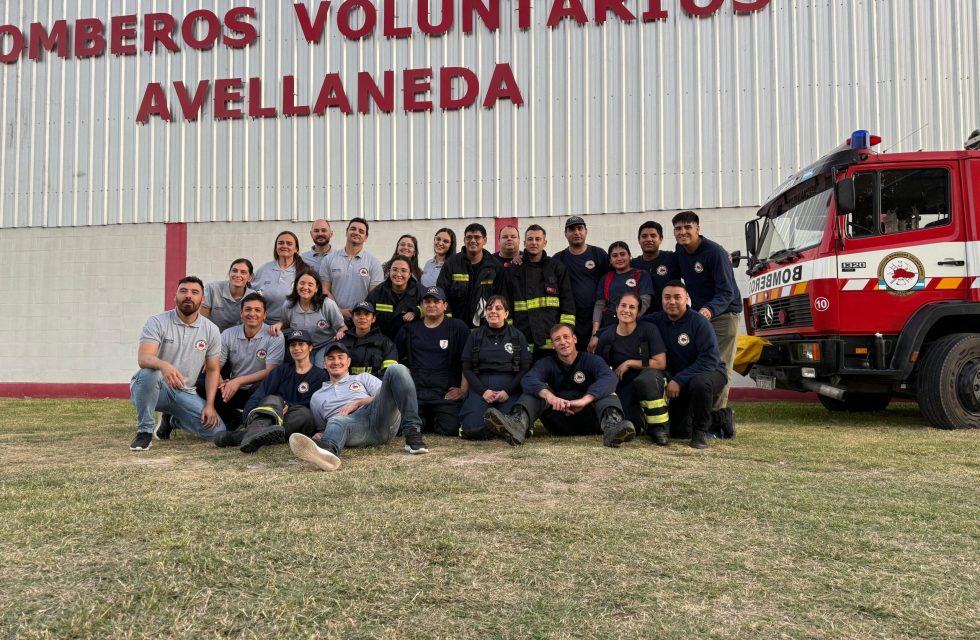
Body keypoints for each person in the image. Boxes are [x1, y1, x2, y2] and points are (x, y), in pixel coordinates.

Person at [484, 324, 635, 448]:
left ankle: (612, 428)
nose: (563, 342)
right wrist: (550, 397)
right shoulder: (546, 363)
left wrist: (585, 400)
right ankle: (517, 426)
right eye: (557, 339)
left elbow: (609, 378)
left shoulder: (592, 360)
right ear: (553, 345)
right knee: (536, 391)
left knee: (606, 391)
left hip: (590, 419)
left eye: (566, 337)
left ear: (574, 339)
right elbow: (528, 379)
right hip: (558, 420)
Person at [288, 343, 429, 472]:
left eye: (340, 357)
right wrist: (322, 433)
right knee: (336, 420)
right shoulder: (317, 397)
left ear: (348, 361)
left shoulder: (363, 378)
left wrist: (358, 402)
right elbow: (322, 426)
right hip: (353, 427)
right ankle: (327, 453)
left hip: (379, 416)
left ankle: (413, 433)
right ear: (324, 363)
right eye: (331, 358)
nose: (336, 362)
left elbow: (389, 393)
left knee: (397, 369)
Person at [129, 276, 224, 451]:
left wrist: (210, 405)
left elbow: (212, 369)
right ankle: (145, 432)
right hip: (156, 389)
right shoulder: (157, 321)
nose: (188, 295)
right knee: (150, 373)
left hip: (185, 392)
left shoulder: (211, 330)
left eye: (194, 292)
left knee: (218, 432)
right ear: (175, 296)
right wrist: (164, 365)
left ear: (202, 300)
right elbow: (144, 359)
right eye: (184, 291)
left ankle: (173, 420)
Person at [643, 281, 734, 449]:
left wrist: (678, 380)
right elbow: (631, 322)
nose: (672, 302)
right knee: (679, 431)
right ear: (661, 300)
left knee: (700, 383)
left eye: (677, 297)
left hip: (711, 372)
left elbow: (709, 359)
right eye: (667, 297)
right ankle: (721, 417)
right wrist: (599, 334)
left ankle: (700, 433)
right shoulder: (656, 320)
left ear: (686, 298)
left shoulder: (699, 322)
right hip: (681, 378)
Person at [215, 329, 329, 453]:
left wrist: (288, 406)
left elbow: (313, 403)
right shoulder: (281, 370)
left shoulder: (320, 375)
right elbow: (261, 392)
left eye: (301, 344)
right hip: (271, 413)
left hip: (295, 416)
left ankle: (241, 436)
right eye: (293, 345)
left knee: (305, 415)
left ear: (310, 347)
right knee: (273, 399)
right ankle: (259, 434)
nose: (297, 348)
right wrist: (247, 415)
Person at [672, 210, 742, 409]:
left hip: (724, 315)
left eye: (688, 227)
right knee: (699, 361)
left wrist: (708, 310)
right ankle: (699, 412)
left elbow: (727, 292)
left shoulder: (715, 253)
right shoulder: (680, 249)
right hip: (701, 316)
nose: (683, 232)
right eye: (678, 228)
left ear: (698, 229)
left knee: (719, 366)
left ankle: (716, 417)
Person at [196, 292, 284, 430]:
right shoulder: (228, 334)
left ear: (265, 315)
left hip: (257, 389)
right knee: (203, 383)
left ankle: (252, 422)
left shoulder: (275, 336)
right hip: (233, 390)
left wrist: (237, 381)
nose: (252, 314)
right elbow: (215, 366)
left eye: (257, 310)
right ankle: (234, 421)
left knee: (265, 387)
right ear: (241, 313)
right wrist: (221, 383)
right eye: (248, 309)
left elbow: (270, 371)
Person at [595, 292, 670, 444]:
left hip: (650, 382)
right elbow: (599, 369)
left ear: (638, 312)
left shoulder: (649, 330)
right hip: (625, 387)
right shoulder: (607, 336)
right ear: (616, 308)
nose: (626, 310)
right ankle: (642, 421)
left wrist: (629, 362)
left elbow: (660, 363)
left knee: (646, 379)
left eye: (632, 307)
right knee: (632, 425)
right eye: (623, 305)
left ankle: (659, 429)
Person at [395, 286, 470, 435]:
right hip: (416, 390)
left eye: (436, 301)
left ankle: (431, 420)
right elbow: (396, 362)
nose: (431, 305)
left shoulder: (457, 327)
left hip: (444, 391)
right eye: (427, 301)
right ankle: (424, 419)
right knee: (401, 428)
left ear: (445, 305)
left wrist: (463, 390)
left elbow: (467, 362)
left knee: (451, 429)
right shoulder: (409, 329)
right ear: (422, 305)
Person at [496, 224, 576, 360]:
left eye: (538, 239)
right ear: (524, 243)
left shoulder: (556, 268)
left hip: (552, 342)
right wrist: (508, 335)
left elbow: (567, 303)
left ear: (544, 242)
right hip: (522, 340)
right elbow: (505, 305)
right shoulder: (513, 270)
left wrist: (564, 335)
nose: (534, 242)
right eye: (530, 239)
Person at [459, 296, 532, 440]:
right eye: (489, 308)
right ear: (485, 313)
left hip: (509, 387)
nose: (493, 312)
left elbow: (525, 368)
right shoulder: (475, 336)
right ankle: (496, 430)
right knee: (472, 428)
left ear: (506, 313)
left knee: (515, 423)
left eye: (498, 308)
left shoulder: (517, 336)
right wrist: (483, 391)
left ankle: (502, 428)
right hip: (482, 386)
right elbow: (466, 368)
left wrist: (507, 391)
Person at [554, 216, 610, 351]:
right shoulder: (558, 259)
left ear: (586, 231)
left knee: (597, 354)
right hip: (571, 319)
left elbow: (612, 279)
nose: (576, 232)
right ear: (565, 234)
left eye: (580, 228)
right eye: (572, 229)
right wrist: (520, 256)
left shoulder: (598, 254)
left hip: (597, 317)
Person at [270, 271, 346, 367]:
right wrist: (280, 324)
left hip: (324, 345)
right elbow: (286, 322)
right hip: (302, 347)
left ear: (316, 289)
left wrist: (340, 332)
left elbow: (342, 327)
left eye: (310, 284)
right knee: (301, 371)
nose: (305, 287)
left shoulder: (327, 304)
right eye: (302, 283)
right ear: (296, 285)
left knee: (319, 367)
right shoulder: (288, 305)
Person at [437, 222, 504, 330]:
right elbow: (441, 294)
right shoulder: (451, 264)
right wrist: (448, 322)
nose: (472, 241)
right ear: (464, 240)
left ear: (485, 240)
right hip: (456, 328)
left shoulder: (495, 267)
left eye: (477, 237)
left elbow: (502, 298)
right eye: (469, 237)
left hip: (486, 329)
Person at [590, 241, 653, 351]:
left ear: (630, 256)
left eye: (622, 254)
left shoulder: (641, 274)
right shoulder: (605, 278)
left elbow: (646, 301)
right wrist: (595, 334)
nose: (619, 258)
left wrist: (627, 320)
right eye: (614, 256)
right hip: (609, 327)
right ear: (610, 260)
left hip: (634, 327)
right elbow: (599, 305)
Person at [319, 217, 385, 322]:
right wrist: (338, 311)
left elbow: (374, 295)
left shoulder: (374, 263)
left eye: (361, 231)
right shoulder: (329, 259)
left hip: (362, 321)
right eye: (353, 229)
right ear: (346, 232)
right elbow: (324, 290)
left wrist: (359, 313)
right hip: (333, 319)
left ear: (366, 237)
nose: (356, 232)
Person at [252, 231, 308, 324]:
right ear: (276, 247)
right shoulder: (264, 269)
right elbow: (248, 291)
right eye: (280, 243)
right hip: (267, 327)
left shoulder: (305, 271)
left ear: (296, 249)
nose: (284, 246)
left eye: (289, 244)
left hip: (295, 326)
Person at [338, 301, 399, 378]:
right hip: (348, 386)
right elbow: (336, 369)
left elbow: (390, 370)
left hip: (377, 386)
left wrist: (377, 385)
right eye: (358, 314)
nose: (362, 317)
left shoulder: (385, 343)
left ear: (373, 319)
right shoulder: (342, 341)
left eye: (366, 314)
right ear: (352, 318)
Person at [367, 255, 422, 341]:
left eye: (403, 271)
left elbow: (437, 308)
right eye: (395, 270)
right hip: (381, 344)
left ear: (409, 274)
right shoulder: (378, 292)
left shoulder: (420, 291)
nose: (398, 274)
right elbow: (366, 314)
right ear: (389, 272)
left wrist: (417, 311)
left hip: (410, 344)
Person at [631, 221, 679, 313]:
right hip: (641, 319)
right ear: (639, 240)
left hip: (669, 317)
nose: (649, 239)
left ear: (660, 239)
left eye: (653, 236)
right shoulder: (633, 265)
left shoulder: (672, 259)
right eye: (644, 236)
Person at [201, 258, 255, 332]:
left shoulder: (253, 296)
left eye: (243, 272)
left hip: (239, 339)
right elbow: (202, 321)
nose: (238, 275)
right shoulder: (212, 288)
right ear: (229, 273)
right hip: (213, 337)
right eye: (234, 271)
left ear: (249, 278)